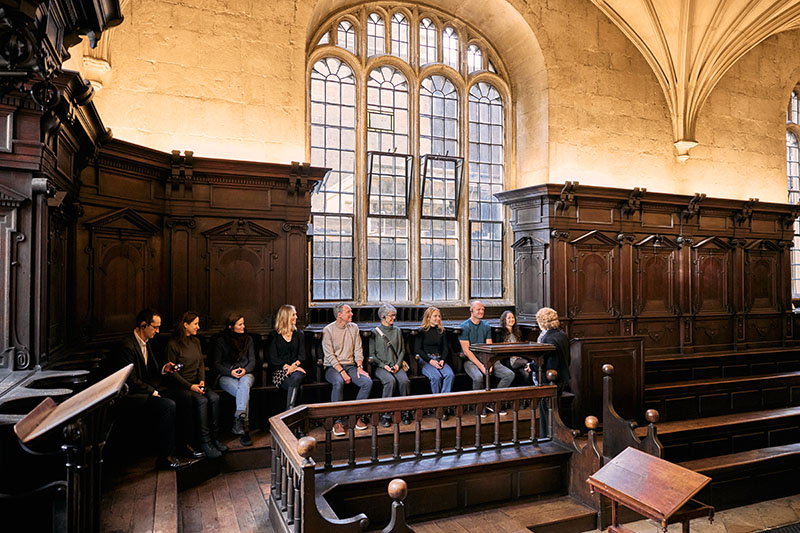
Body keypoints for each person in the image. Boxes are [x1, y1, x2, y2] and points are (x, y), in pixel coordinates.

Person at [113, 308, 190, 470]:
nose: (158, 331)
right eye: (155, 327)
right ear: (143, 325)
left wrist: (164, 368)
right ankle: (164, 458)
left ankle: (182, 447)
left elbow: (152, 369)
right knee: (168, 406)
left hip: (148, 389)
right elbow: (131, 381)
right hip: (133, 395)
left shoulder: (146, 343)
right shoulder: (127, 346)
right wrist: (153, 392)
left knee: (184, 397)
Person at [167, 311, 227, 459]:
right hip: (183, 386)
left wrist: (201, 381)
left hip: (197, 383)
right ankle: (205, 442)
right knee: (202, 401)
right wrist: (190, 386)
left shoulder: (196, 342)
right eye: (195, 324)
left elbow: (201, 363)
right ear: (185, 325)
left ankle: (214, 439)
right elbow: (172, 372)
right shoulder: (173, 344)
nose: (198, 327)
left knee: (214, 398)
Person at [322, 303, 373, 436]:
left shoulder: (354, 327)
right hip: (332, 368)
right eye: (348, 312)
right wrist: (342, 372)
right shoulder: (328, 330)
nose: (352, 314)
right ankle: (337, 421)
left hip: (351, 366)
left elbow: (358, 349)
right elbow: (330, 356)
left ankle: (355, 417)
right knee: (338, 382)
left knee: (367, 382)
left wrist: (360, 367)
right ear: (339, 315)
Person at [459, 300, 514, 415]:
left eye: (483, 309)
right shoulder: (464, 326)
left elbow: (489, 346)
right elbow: (467, 351)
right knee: (478, 377)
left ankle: (493, 402)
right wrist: (481, 366)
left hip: (487, 358)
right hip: (471, 360)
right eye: (478, 309)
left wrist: (489, 363)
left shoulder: (486, 326)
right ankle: (479, 405)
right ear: (471, 310)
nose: (481, 311)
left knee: (509, 375)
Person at [213, 313, 256, 447]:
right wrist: (230, 372)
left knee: (243, 386)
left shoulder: (248, 339)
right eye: (240, 324)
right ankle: (245, 429)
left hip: (246, 374)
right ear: (231, 327)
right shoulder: (221, 341)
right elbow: (217, 364)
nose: (243, 326)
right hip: (226, 376)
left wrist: (245, 370)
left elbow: (253, 361)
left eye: (243, 323)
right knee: (243, 392)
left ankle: (240, 422)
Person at [370, 304, 411, 426]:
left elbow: (402, 350)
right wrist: (384, 366)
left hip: (396, 365)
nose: (394, 318)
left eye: (394, 315)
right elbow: (372, 354)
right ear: (383, 316)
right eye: (391, 315)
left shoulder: (397, 331)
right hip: (381, 367)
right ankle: (385, 415)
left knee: (404, 382)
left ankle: (405, 412)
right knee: (390, 382)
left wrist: (398, 365)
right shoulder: (375, 332)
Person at [268, 304, 307, 412]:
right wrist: (288, 367)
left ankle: (289, 413)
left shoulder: (299, 334)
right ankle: (296, 419)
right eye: (293, 315)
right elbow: (273, 358)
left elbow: (302, 356)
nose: (296, 317)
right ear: (286, 317)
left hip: (297, 369)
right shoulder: (275, 335)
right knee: (295, 385)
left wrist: (294, 367)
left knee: (296, 378)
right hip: (280, 371)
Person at [414, 306, 454, 395]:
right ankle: (436, 401)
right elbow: (418, 349)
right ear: (428, 318)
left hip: (439, 358)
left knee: (449, 375)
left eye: (439, 316)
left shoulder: (441, 331)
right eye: (435, 316)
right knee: (436, 377)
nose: (438, 318)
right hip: (426, 359)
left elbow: (445, 348)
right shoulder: (422, 331)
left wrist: (443, 360)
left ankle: (444, 399)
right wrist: (430, 361)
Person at [500, 310, 530, 384]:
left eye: (513, 318)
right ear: (504, 320)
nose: (511, 320)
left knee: (526, 375)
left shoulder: (517, 332)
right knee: (526, 362)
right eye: (509, 318)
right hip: (510, 360)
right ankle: (529, 365)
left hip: (518, 358)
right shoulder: (501, 333)